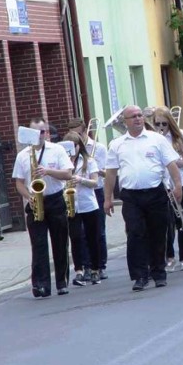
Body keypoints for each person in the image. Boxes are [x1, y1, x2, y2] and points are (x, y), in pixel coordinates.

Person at [104, 106, 182, 292]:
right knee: (135, 233)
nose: (138, 119)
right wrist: (107, 198)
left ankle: (159, 273)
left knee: (158, 233)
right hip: (131, 196)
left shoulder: (157, 139)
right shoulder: (117, 144)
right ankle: (139, 275)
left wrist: (177, 185)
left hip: (156, 192)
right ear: (125, 121)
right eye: (133, 117)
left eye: (140, 115)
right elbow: (111, 173)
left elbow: (171, 164)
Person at [12, 117, 73, 298]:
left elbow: (68, 174)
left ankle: (61, 282)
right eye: (36, 132)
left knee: (60, 242)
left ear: (47, 132)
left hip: (55, 200)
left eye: (43, 131)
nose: (40, 135)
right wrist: (28, 196)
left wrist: (47, 171)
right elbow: (19, 183)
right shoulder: (23, 155)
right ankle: (41, 285)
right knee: (38, 245)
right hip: (35, 201)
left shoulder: (57, 150)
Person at [67, 118, 109, 280]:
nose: (77, 136)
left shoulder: (99, 148)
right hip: (75, 196)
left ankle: (100, 266)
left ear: (84, 131)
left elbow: (107, 173)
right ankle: (84, 267)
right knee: (79, 235)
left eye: (78, 133)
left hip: (95, 192)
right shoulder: (68, 155)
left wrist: (92, 169)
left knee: (98, 232)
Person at [153, 107, 183, 272]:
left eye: (164, 123)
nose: (161, 127)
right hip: (162, 185)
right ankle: (169, 257)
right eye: (157, 123)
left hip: (180, 183)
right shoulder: (152, 137)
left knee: (182, 221)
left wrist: (171, 161)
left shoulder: (180, 135)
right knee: (166, 223)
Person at [62, 132, 103, 286]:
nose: (71, 151)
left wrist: (80, 179)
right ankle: (79, 270)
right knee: (76, 238)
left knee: (92, 237)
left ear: (79, 146)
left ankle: (95, 269)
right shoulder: (63, 163)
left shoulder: (88, 161)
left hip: (88, 204)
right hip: (71, 204)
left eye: (74, 146)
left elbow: (95, 182)